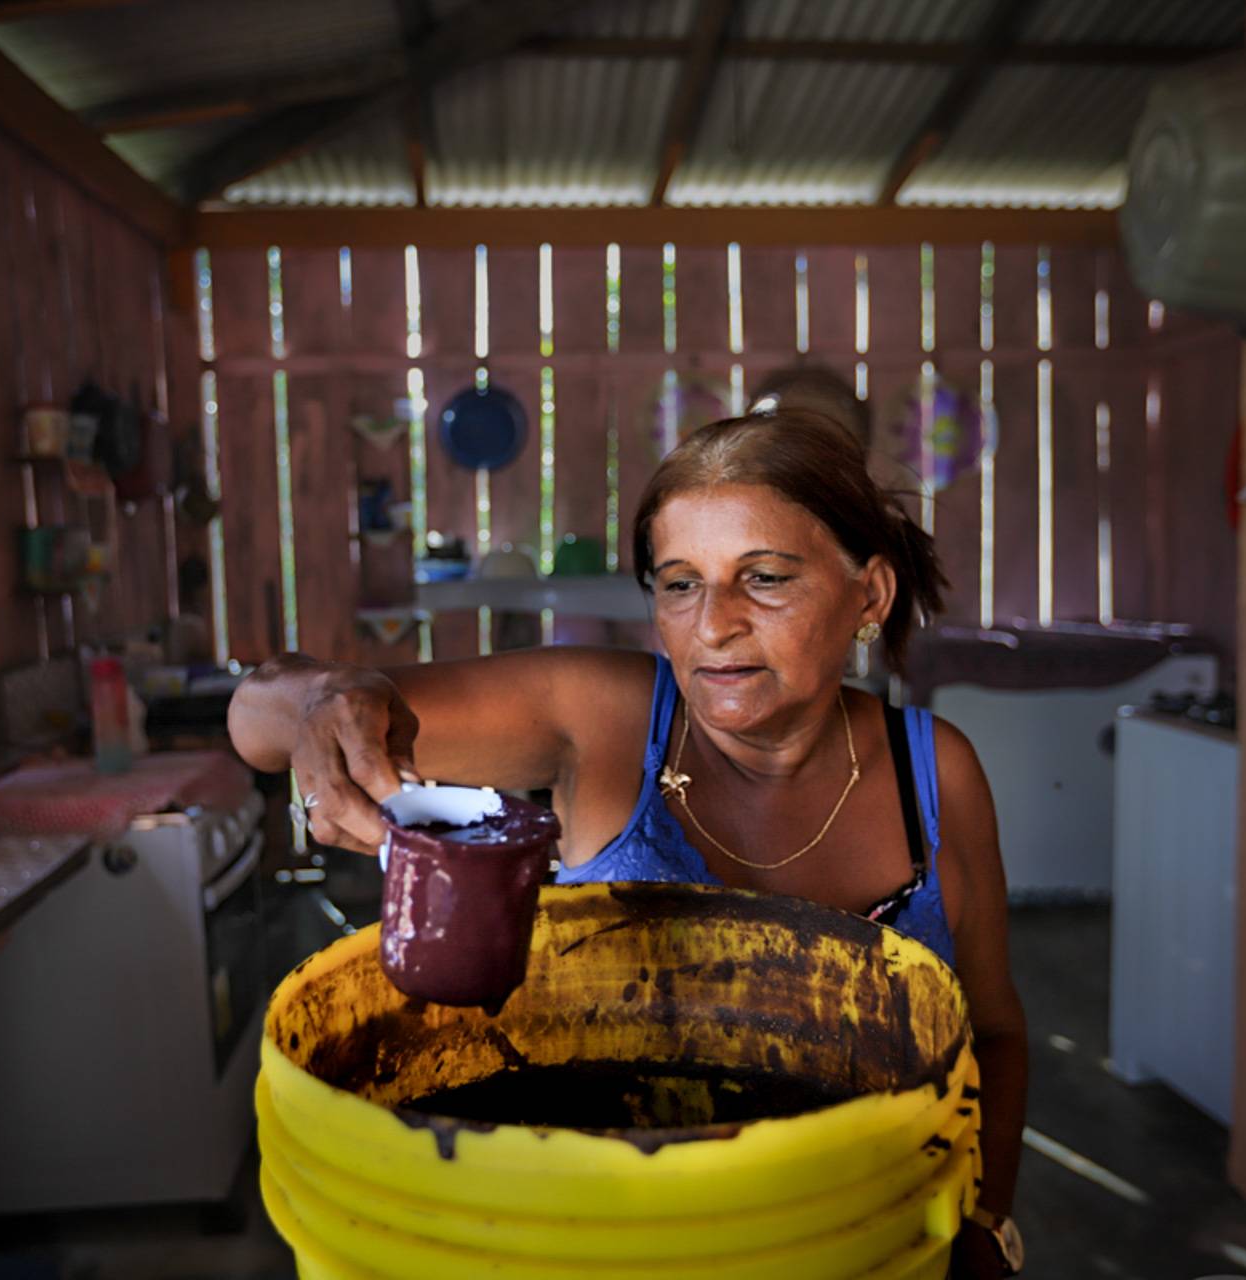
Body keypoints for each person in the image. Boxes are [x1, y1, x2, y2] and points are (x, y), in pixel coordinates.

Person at [229, 408, 1029, 1278]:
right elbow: (256, 718)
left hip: (845, 1240)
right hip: (599, 1241)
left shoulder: (933, 776)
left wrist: (986, 1221)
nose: (713, 624)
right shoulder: (603, 722)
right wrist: (321, 706)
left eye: (763, 578)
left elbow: (991, 1032)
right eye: (680, 583)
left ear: (867, 595)